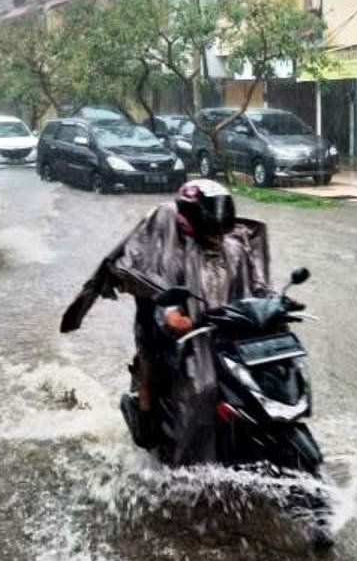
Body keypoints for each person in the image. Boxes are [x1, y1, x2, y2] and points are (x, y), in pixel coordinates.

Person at [60, 179, 272, 465]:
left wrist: (273, 303)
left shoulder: (232, 246)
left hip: (214, 327)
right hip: (159, 319)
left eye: (221, 229)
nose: (217, 236)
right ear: (192, 222)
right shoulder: (164, 237)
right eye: (211, 230)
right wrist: (170, 314)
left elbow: (253, 284)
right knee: (182, 381)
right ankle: (151, 424)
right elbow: (155, 283)